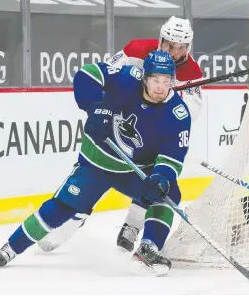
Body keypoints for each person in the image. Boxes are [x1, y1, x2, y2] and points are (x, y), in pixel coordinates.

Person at [0, 51, 191, 277]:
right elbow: (87, 74)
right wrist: (95, 107)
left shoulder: (177, 114)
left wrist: (161, 177)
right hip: (96, 163)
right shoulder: (127, 78)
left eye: (166, 81)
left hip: (131, 170)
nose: (160, 87)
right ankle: (11, 248)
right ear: (144, 77)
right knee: (62, 207)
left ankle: (148, 248)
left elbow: (172, 157)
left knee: (167, 193)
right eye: (155, 80)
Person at [37, 16, 204, 254]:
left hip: (154, 133)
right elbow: (109, 77)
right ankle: (73, 220)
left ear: (189, 47)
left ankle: (132, 227)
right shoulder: (137, 50)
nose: (174, 53)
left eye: (181, 48)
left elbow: (191, 111)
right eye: (169, 45)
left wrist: (168, 96)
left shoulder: (192, 71)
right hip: (122, 124)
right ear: (161, 40)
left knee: (155, 180)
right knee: (92, 174)